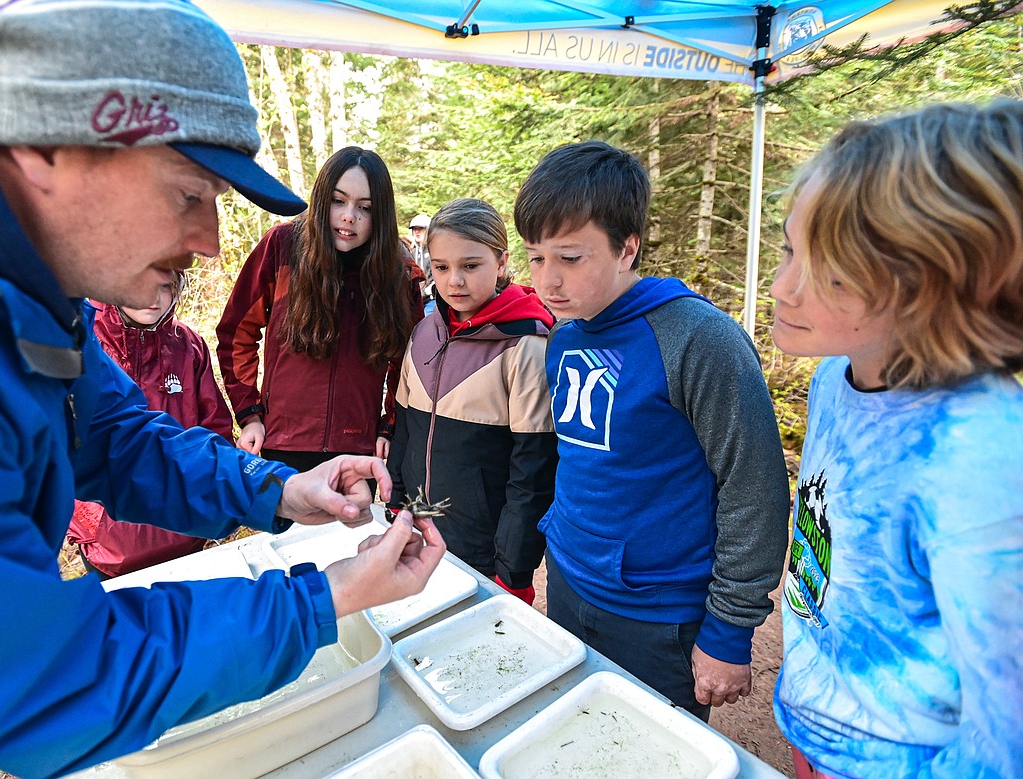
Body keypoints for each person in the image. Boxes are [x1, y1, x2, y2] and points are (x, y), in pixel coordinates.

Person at [0, 1, 446, 777]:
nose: (207, 243)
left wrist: (281, 489)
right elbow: (53, 684)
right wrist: (322, 593)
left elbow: (115, 437)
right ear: (48, 143)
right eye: (188, 193)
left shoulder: (9, 279)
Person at [770, 102, 1023, 779]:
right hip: (818, 726)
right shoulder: (834, 376)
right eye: (789, 249)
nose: (781, 289)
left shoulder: (982, 453)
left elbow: (1008, 732)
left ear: (937, 283)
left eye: (831, 271)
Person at [513, 140, 790, 721]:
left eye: (570, 258)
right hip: (570, 584)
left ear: (626, 248)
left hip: (660, 615)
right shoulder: (564, 336)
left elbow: (754, 487)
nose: (548, 280)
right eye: (536, 258)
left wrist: (730, 629)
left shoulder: (699, 338)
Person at [387, 198, 557, 604]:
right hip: (418, 534)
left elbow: (533, 472)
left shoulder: (526, 345)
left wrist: (514, 569)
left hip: (484, 554)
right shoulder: (424, 334)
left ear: (501, 262)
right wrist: (396, 505)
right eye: (442, 267)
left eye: (470, 265)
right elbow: (405, 430)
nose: (454, 282)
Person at [216, 146, 423, 470]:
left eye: (364, 207)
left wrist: (389, 425)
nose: (349, 216)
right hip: (282, 443)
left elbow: (408, 362)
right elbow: (235, 334)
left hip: (357, 450)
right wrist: (249, 413)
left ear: (380, 214)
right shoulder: (282, 248)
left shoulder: (397, 273)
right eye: (338, 201)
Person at [67, 275, 234, 579]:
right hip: (108, 545)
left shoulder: (189, 346)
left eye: (166, 286)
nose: (153, 297)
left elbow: (215, 432)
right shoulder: (82, 339)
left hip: (183, 534)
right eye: (140, 281)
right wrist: (83, 521)